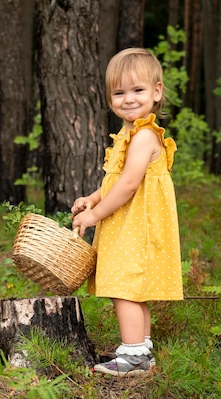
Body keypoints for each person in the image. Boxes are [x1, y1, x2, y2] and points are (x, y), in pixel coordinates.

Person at [71, 47, 183, 376]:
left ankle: (133, 355)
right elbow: (115, 180)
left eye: (138, 90)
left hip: (138, 225)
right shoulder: (129, 134)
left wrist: (94, 216)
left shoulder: (145, 136)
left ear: (156, 92)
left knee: (123, 286)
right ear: (109, 98)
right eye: (119, 92)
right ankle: (142, 350)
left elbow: (130, 184)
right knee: (134, 288)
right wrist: (93, 198)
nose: (128, 99)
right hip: (134, 223)